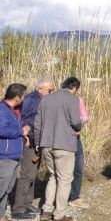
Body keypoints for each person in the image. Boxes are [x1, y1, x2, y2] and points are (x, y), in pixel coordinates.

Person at [35, 77, 83, 221]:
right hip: (64, 145)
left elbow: (38, 124)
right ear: (74, 87)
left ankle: (46, 211)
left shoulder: (46, 99)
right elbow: (76, 122)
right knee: (65, 180)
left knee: (53, 177)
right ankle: (59, 214)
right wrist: (80, 126)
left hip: (46, 144)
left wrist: (38, 143)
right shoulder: (72, 99)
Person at [12, 80, 55, 220]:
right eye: (49, 90)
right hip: (30, 143)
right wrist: (29, 137)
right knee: (26, 175)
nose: (51, 93)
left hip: (37, 142)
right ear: (40, 89)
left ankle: (27, 204)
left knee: (32, 174)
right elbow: (24, 120)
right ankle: (18, 208)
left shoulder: (40, 99)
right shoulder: (32, 99)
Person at [0, 83, 30, 221]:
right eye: (23, 95)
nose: (24, 98)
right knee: (1, 187)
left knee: (7, 188)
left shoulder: (12, 110)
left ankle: (1, 214)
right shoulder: (2, 110)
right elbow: (1, 130)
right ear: (17, 97)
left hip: (13, 155)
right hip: (5, 156)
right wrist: (21, 131)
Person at [68, 94, 90, 209]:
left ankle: (74, 196)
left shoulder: (77, 99)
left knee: (77, 168)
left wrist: (79, 122)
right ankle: (71, 197)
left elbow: (85, 117)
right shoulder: (75, 99)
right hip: (67, 139)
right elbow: (85, 117)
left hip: (74, 138)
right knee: (72, 169)